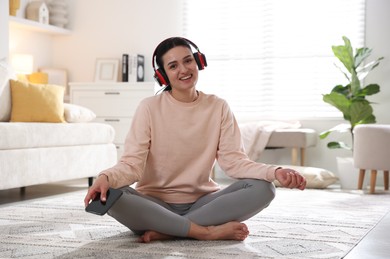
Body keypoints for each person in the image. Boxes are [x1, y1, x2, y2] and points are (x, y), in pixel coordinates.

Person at [84, 37, 306, 243]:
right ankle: (203, 231)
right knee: (106, 197)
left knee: (265, 189)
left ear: (198, 62)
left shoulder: (218, 107)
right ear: (163, 75)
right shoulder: (149, 108)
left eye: (188, 61)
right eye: (173, 66)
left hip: (204, 202)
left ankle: (169, 230)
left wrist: (274, 172)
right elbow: (132, 165)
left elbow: (234, 162)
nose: (184, 70)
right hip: (154, 204)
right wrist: (106, 177)